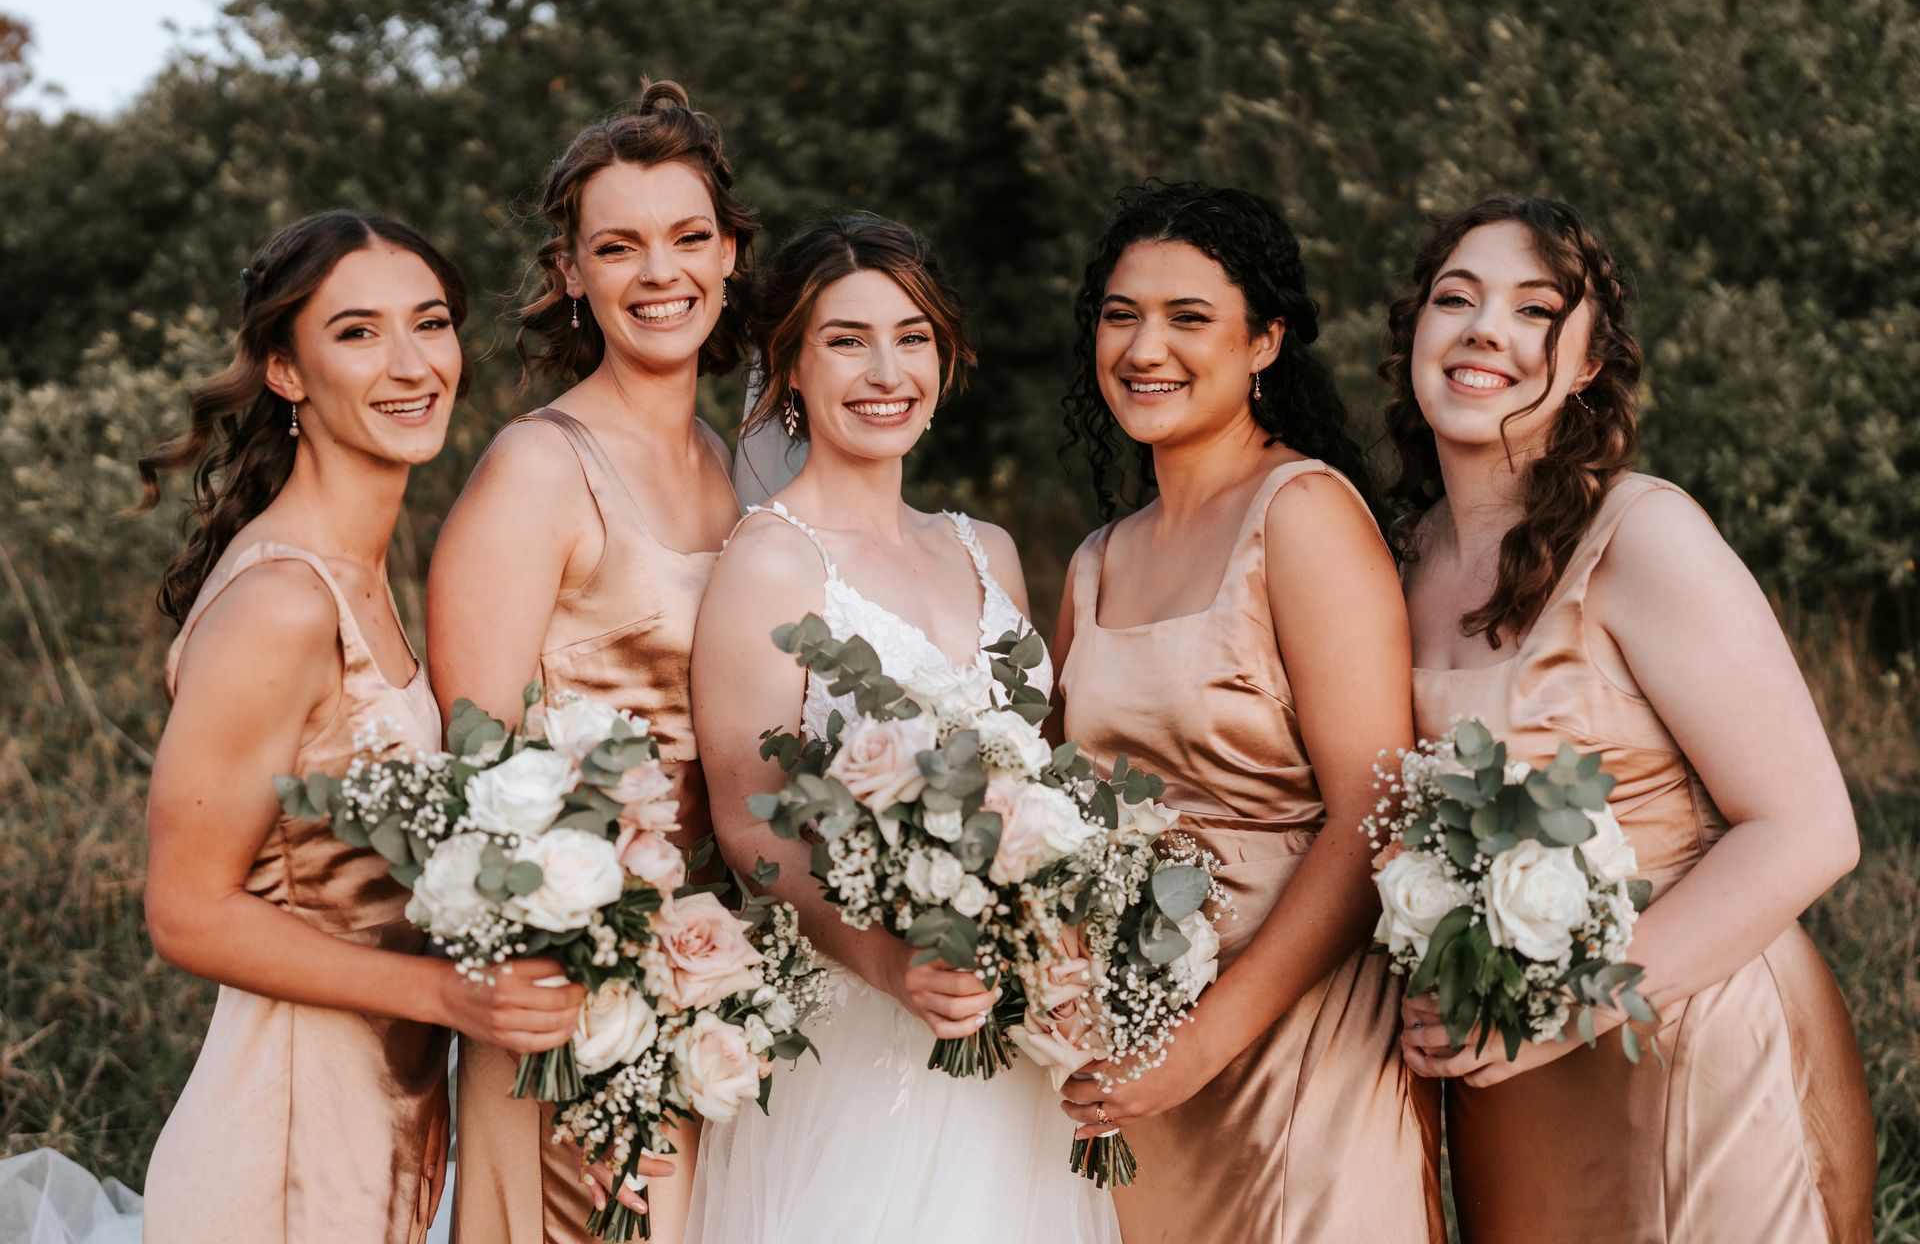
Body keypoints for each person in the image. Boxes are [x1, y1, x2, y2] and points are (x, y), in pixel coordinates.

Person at [1389, 196, 1876, 1243]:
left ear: (1590, 363)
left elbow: (1808, 829)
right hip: (1510, 1084)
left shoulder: (1644, 532)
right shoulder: (1397, 558)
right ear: (1414, 336)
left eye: (1534, 309)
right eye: (1455, 298)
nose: (1484, 329)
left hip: (1692, 1047)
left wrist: (1558, 1015)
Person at [135, 209, 582, 1244]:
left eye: (429, 323)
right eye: (356, 332)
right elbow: (186, 909)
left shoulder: (367, 576)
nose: (410, 362)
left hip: (380, 1128)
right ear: (286, 372)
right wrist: (455, 994)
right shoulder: (284, 602)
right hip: (282, 1146)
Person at [684, 212, 1119, 1244]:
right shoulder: (772, 562)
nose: (887, 369)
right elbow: (751, 829)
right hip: (863, 1021)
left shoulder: (988, 550)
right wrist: (887, 960)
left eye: (912, 336)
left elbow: (1034, 783)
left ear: (946, 354)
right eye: (846, 339)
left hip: (1009, 1035)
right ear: (788, 364)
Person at [1051, 182, 1444, 1242]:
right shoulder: (1096, 562)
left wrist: (1203, 1044)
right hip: (1129, 1043)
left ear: (1265, 340)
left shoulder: (1303, 513)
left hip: (1289, 1036)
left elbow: (1378, 809)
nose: (1145, 347)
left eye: (1190, 318)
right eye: (1122, 314)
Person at [426, 82, 753, 1244]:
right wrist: (591, 950)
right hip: (573, 986)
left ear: (728, 255)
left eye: (688, 237)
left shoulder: (738, 467)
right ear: (573, 272)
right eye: (619, 246)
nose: (660, 273)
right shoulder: (536, 467)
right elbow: (470, 774)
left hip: (721, 978)